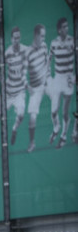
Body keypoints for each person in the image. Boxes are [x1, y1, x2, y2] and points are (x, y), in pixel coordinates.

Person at [0, 27, 28, 158]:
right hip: (8, 92)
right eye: (15, 38)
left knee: (20, 114)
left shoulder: (25, 50)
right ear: (11, 39)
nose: (17, 41)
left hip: (19, 91)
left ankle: (14, 129)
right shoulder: (7, 53)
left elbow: (28, 65)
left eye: (19, 38)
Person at [48, 17, 75, 148]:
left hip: (68, 78)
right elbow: (49, 59)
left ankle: (64, 136)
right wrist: (47, 75)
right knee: (53, 111)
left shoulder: (72, 41)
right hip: (58, 78)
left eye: (67, 26)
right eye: (63, 27)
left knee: (65, 112)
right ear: (59, 30)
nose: (66, 29)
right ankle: (56, 127)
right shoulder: (53, 43)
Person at [25, 24, 50, 153]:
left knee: (64, 96)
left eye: (44, 36)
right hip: (35, 88)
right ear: (36, 35)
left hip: (46, 83)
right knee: (32, 117)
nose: (43, 38)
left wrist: (48, 78)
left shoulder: (45, 46)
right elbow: (22, 73)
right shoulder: (28, 53)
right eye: (42, 36)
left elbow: (48, 62)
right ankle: (32, 142)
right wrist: (27, 85)